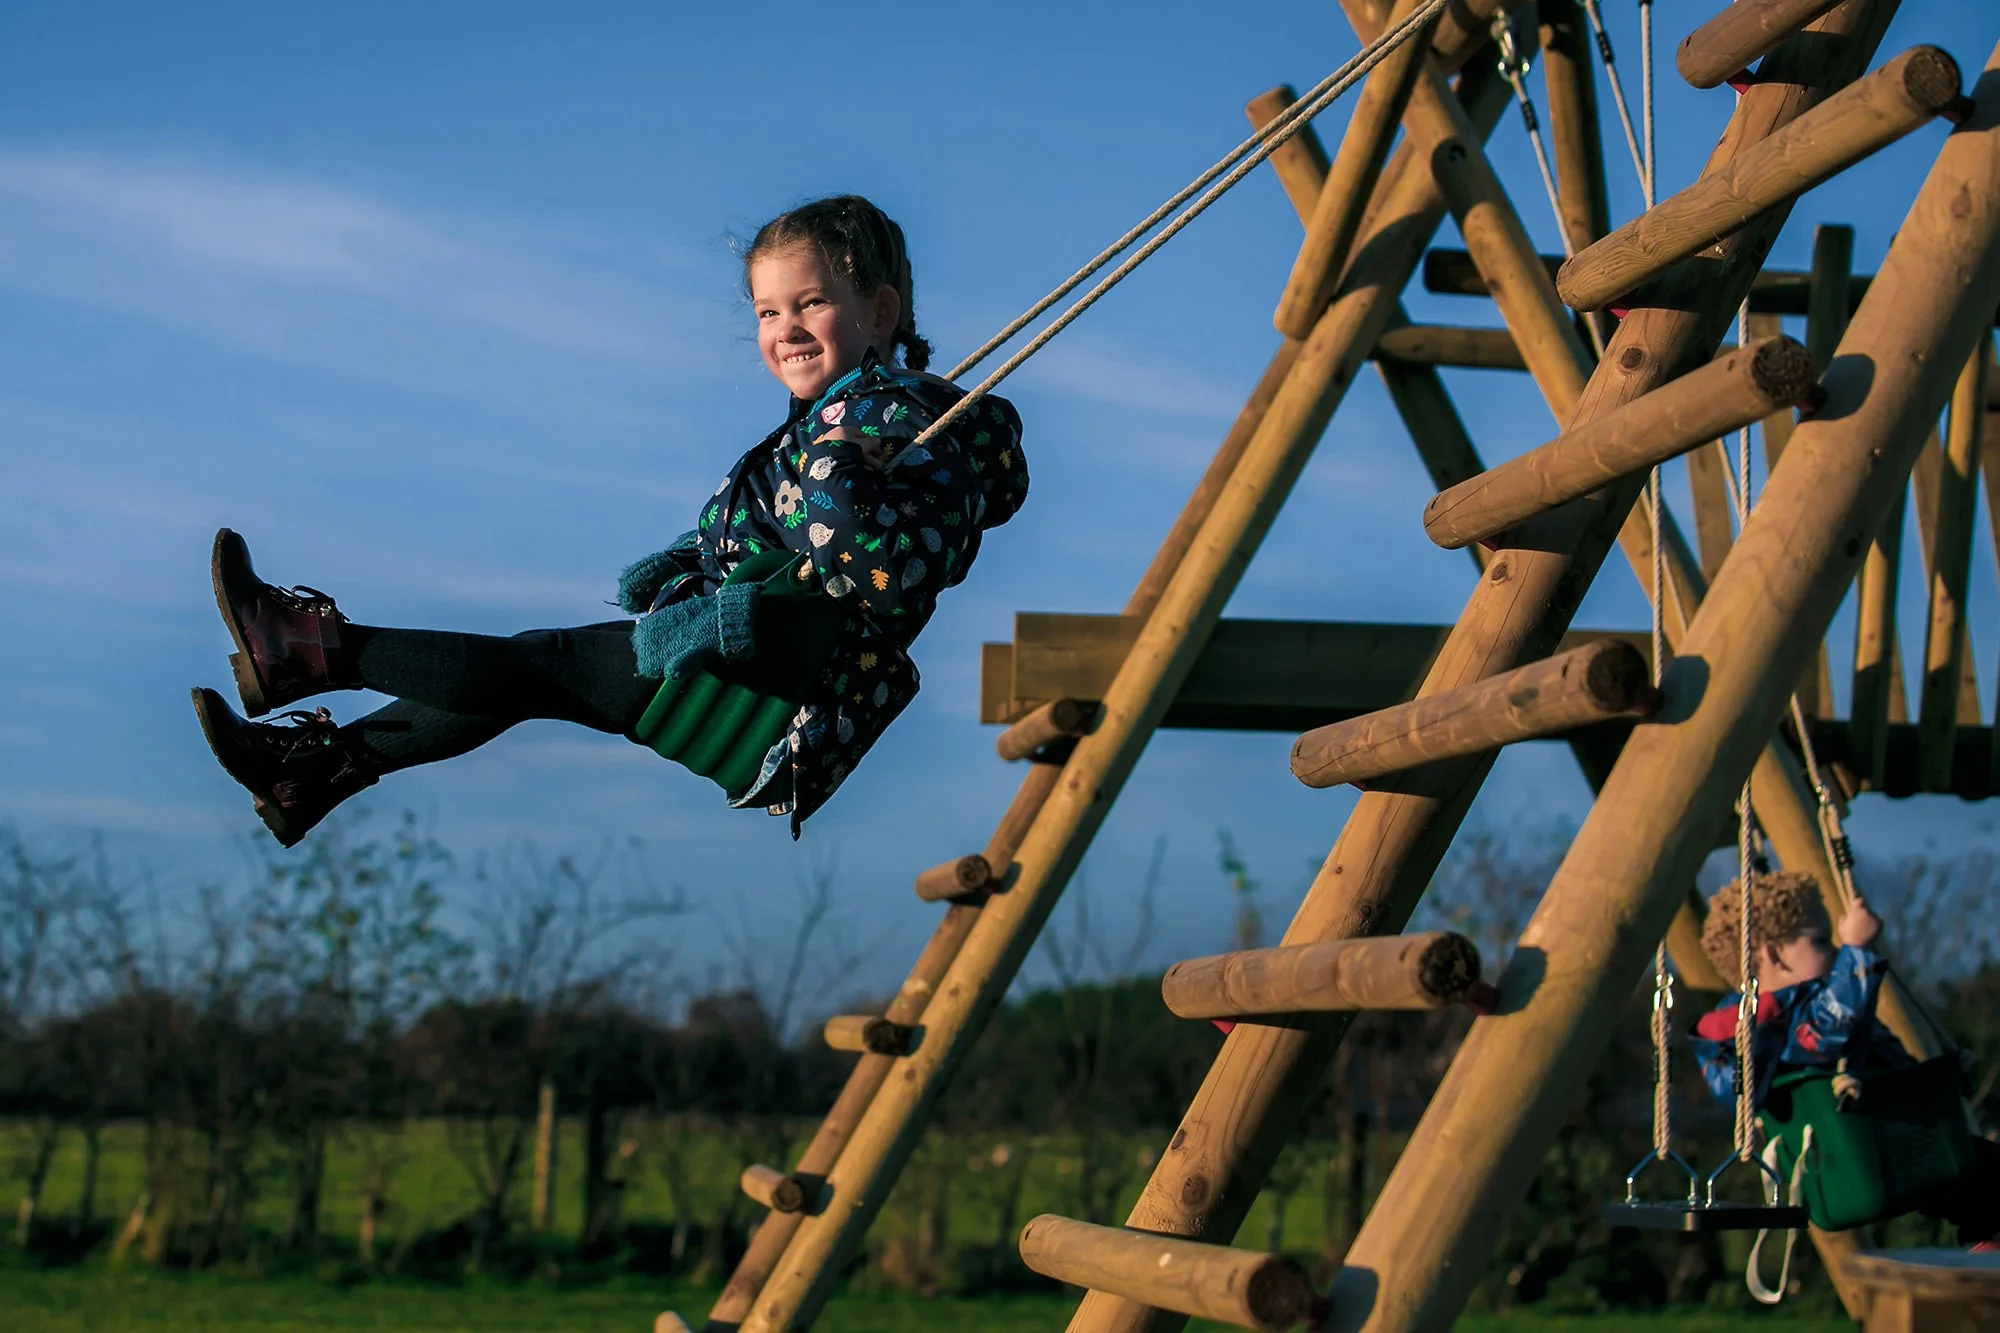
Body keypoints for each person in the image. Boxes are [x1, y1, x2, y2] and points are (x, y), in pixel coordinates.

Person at [190, 195, 1028, 846]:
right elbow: (757, 527)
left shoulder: (919, 428)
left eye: (810, 302)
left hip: (794, 685)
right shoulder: (828, 425)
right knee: (528, 678)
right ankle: (310, 772)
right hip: (748, 649)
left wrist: (836, 467)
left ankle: (310, 650)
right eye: (768, 312)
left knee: (538, 662)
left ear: (878, 313)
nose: (786, 329)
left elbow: (890, 576)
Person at [1691, 871, 1998, 1247]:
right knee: (1985, 1178)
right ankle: (1984, 1258)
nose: (1835, 952)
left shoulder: (1758, 1018)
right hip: (1886, 1139)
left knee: (1980, 1188)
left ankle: (1984, 1251)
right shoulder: (1778, 1015)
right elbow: (1826, 1031)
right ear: (1772, 955)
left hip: (1875, 1146)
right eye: (1822, 942)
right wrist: (1857, 949)